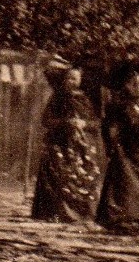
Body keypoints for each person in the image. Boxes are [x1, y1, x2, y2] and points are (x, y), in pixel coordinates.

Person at [31, 63, 102, 223]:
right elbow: (46, 120)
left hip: (82, 145)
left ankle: (82, 212)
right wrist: (66, 122)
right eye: (68, 78)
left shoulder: (88, 99)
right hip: (61, 143)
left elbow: (97, 123)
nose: (71, 81)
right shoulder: (58, 97)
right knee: (60, 174)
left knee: (85, 176)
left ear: (81, 80)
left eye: (75, 78)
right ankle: (60, 212)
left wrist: (84, 124)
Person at [95, 68, 139, 235]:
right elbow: (108, 125)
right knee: (122, 185)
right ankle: (120, 221)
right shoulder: (118, 104)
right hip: (124, 149)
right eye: (134, 84)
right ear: (127, 85)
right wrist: (112, 141)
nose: (137, 87)